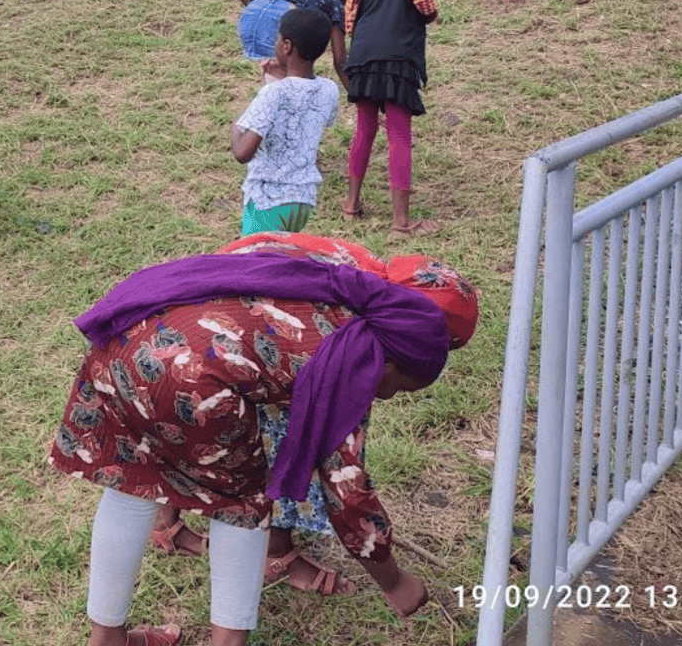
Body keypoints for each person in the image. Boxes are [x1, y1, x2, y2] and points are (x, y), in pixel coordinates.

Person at [51, 247, 477, 646]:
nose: (386, 399)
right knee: (241, 505)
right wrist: (395, 582)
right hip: (190, 375)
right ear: (392, 359)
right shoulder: (354, 363)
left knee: (133, 478)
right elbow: (348, 496)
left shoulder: (335, 276)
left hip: (131, 330)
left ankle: (107, 640)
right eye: (398, 389)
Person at [145, 233, 480, 596]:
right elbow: (346, 487)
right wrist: (395, 583)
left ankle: (166, 522)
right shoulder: (356, 350)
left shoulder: (360, 272)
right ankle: (273, 553)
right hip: (203, 356)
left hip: (184, 312)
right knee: (280, 447)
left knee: (173, 421)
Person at [343, 0, 439, 234]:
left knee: (364, 130)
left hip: (363, 55)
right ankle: (400, 222)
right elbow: (427, 6)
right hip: (399, 57)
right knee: (399, 135)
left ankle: (351, 206)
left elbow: (349, 21)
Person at [231, 8, 341, 235]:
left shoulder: (274, 93)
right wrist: (278, 81)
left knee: (256, 267)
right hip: (302, 203)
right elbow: (303, 107)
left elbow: (243, 152)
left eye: (278, 38)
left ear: (286, 46)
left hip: (267, 201)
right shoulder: (329, 89)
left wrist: (237, 124)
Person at [236, 0, 349, 87]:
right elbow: (340, 61)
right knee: (287, 76)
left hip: (249, 17)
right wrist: (354, 94)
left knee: (274, 69)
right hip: (283, 17)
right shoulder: (335, 2)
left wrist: (262, 19)